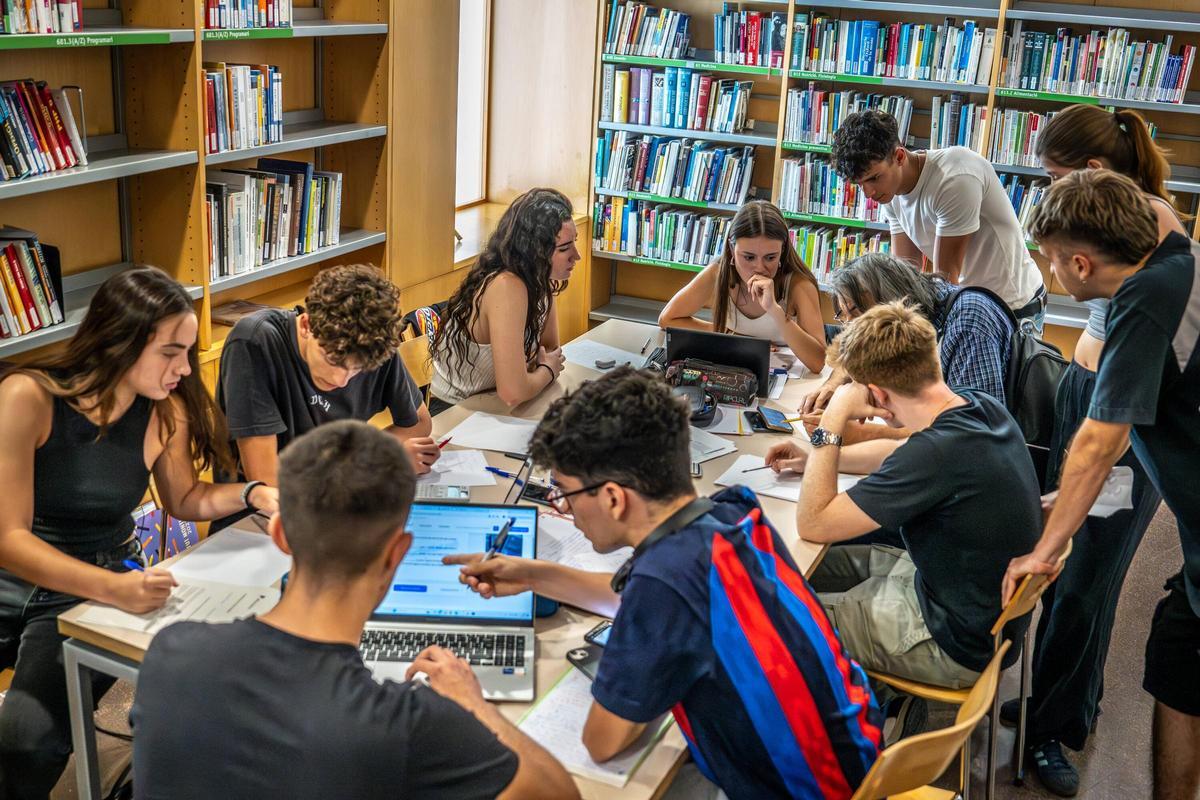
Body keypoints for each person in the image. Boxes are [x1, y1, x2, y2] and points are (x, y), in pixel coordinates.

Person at [443, 368, 881, 800]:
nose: (564, 508)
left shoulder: (661, 585)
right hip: (856, 756)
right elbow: (643, 597)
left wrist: (474, 707)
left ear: (613, 498)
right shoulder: (729, 512)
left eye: (565, 493)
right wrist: (532, 575)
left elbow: (602, 742)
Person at [131, 420, 577, 800]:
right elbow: (559, 792)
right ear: (397, 553)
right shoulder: (408, 725)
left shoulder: (170, 651)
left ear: (280, 534)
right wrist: (472, 703)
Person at [0, 266, 280, 799]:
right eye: (170, 352)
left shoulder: (164, 409)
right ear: (120, 340)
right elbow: (8, 540)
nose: (183, 368)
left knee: (26, 741)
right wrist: (117, 590)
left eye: (188, 352)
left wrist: (253, 492)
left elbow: (185, 499)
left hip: (88, 581)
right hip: (23, 572)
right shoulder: (27, 396)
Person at [998, 105, 1187, 796]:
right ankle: (1058, 694)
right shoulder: (1122, 229)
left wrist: (1048, 542)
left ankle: (1058, 726)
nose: (1049, 193)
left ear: (1095, 173)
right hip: (1090, 391)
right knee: (1070, 564)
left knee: (1084, 575)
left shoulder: (1150, 241)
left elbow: (1112, 432)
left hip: (1124, 422)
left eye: (1055, 178)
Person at [767, 301, 1040, 726]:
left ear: (875, 395)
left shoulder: (938, 453)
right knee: (782, 570)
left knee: (779, 624)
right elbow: (896, 452)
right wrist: (817, 459)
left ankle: (865, 720)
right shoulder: (976, 406)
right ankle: (878, 699)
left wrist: (834, 420)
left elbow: (814, 522)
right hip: (962, 606)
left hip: (947, 640)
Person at [216, 263, 438, 488]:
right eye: (333, 360)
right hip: (262, 510)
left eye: (358, 370)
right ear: (306, 325)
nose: (341, 380)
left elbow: (419, 423)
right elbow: (266, 477)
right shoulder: (254, 342)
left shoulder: (373, 344)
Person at [831, 109, 1046, 330]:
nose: (869, 193)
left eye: (874, 178)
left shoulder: (954, 177)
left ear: (899, 156)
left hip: (1012, 306)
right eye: (860, 184)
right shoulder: (890, 191)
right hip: (973, 306)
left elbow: (946, 281)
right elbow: (905, 276)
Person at [798, 252, 1014, 444]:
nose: (852, 328)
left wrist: (862, 434)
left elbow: (972, 434)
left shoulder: (967, 324)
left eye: (856, 315)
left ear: (890, 302)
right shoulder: (920, 309)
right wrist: (835, 382)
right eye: (843, 318)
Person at [431, 188, 579, 409]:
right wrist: (546, 371)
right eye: (565, 248)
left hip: (491, 402)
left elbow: (549, 350)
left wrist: (538, 371)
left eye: (574, 242)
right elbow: (514, 391)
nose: (576, 256)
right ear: (535, 251)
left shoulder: (539, 278)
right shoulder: (506, 286)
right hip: (454, 411)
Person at [658, 200, 826, 373]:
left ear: (782, 250)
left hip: (787, 382)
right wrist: (736, 339)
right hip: (735, 370)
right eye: (749, 257)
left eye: (770, 257)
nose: (760, 268)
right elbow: (667, 320)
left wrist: (774, 309)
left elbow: (818, 362)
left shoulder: (799, 284)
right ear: (732, 248)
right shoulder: (718, 273)